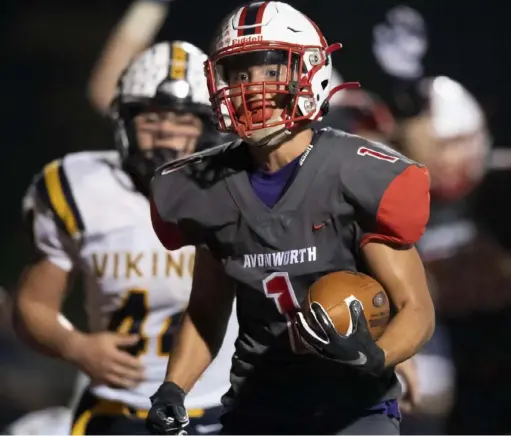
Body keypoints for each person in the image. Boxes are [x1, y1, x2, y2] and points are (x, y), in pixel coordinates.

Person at [146, 2, 435, 434]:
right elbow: (207, 311)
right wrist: (174, 387)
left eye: (267, 70)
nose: (252, 87)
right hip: (258, 406)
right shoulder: (207, 187)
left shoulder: (356, 173)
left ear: (310, 72)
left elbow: (416, 308)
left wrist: (378, 355)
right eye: (239, 73)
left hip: (353, 409)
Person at [13, 41, 237, 435]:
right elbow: (33, 304)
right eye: (151, 118)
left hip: (231, 402)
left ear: (210, 127)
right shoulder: (78, 187)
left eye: (184, 121)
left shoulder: (239, 187)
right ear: (125, 122)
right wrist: (75, 346)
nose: (166, 133)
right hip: (123, 407)